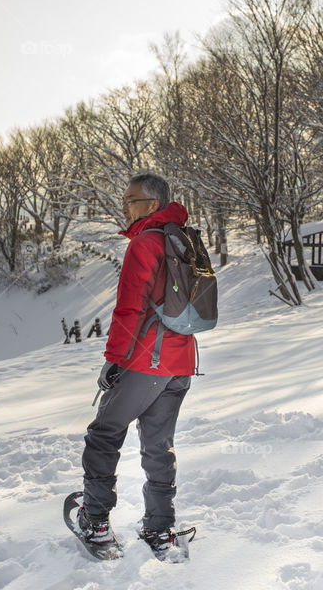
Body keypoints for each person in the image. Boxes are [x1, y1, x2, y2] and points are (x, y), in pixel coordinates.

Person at [77, 172, 195, 556]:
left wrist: (113, 359)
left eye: (131, 200)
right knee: (159, 444)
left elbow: (129, 307)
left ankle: (94, 522)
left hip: (146, 359)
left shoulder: (145, 244)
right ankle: (159, 529)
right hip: (181, 360)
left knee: (104, 434)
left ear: (153, 205)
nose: (123, 206)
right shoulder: (184, 239)